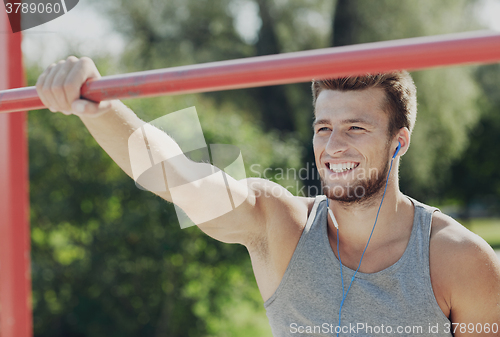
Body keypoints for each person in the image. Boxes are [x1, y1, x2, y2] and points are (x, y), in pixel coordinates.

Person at [36, 56, 500, 337]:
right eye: (324, 128)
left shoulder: (459, 260)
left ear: (399, 141)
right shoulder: (281, 226)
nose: (334, 145)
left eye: (356, 127)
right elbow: (180, 177)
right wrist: (98, 109)